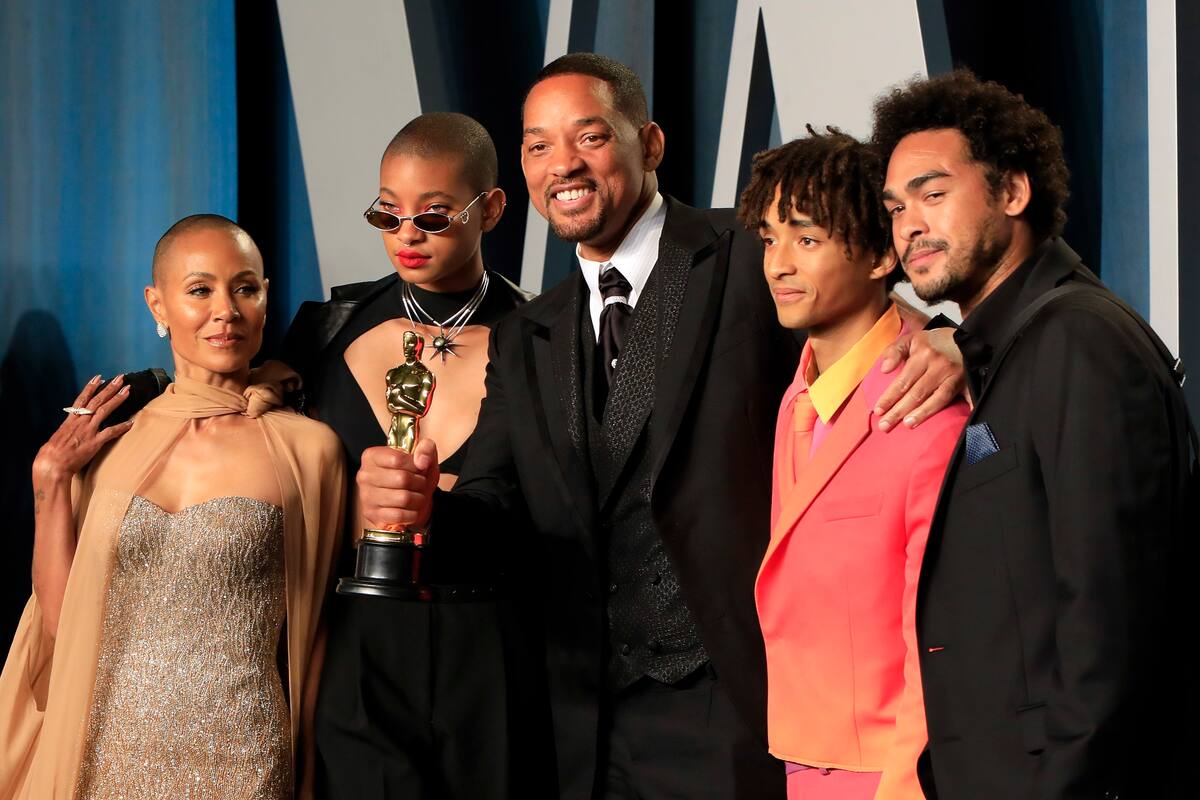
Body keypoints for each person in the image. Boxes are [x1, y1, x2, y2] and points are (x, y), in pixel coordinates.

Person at [358, 54, 965, 799]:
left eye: (589, 136)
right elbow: (501, 505)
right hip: (584, 721)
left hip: (737, 705)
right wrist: (426, 512)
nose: (562, 165)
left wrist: (952, 338)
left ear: (649, 144)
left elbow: (862, 304)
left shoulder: (749, 254)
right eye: (538, 145)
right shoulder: (528, 334)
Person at [874, 70, 1196, 799]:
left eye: (932, 193)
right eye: (895, 206)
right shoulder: (1010, 344)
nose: (909, 226)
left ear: (1013, 192)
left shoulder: (1080, 342)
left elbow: (1110, 620)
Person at [0, 215, 345, 800]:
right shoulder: (111, 439)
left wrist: (305, 773)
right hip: (106, 745)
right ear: (156, 305)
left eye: (246, 288)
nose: (226, 310)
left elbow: (316, 640)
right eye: (200, 289)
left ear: (265, 299)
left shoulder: (308, 449)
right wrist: (51, 482)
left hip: (243, 756)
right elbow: (63, 624)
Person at [279, 112, 542, 800]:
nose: (406, 237)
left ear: (490, 208)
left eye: (431, 216)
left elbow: (560, 515)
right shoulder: (323, 329)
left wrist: (448, 508)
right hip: (357, 655)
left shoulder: (545, 338)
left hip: (490, 654)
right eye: (387, 215)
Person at [740, 128, 967, 800]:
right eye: (769, 238)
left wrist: (904, 783)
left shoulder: (931, 402)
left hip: (890, 772)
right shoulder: (797, 396)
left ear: (876, 254)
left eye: (806, 239)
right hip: (800, 753)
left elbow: (937, 633)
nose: (779, 263)